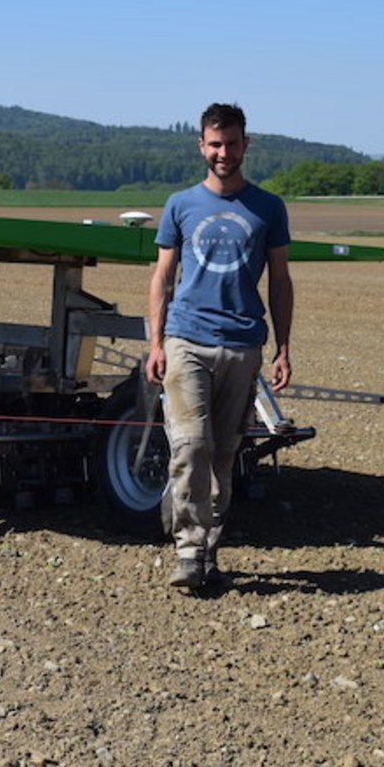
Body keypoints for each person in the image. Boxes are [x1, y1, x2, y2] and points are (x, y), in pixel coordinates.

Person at [145, 103, 293, 590]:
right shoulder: (181, 205)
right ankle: (188, 550)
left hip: (243, 343)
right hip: (186, 339)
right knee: (190, 447)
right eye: (214, 144)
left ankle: (209, 551)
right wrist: (156, 342)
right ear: (201, 146)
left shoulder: (268, 208)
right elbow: (163, 278)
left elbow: (280, 281)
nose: (222, 152)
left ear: (245, 144)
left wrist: (284, 347)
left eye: (231, 143)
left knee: (224, 455)